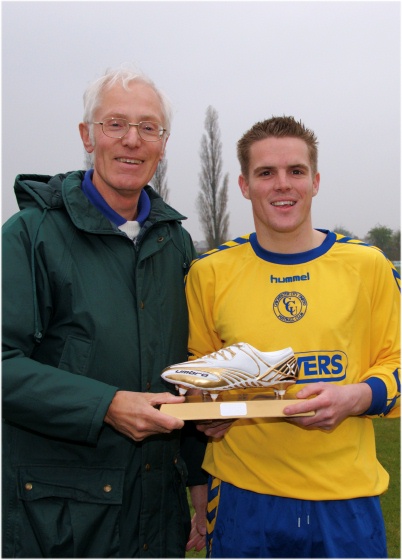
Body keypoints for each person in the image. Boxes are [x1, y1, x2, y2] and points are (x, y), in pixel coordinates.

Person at [2, 65, 208, 558]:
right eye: (115, 124)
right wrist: (107, 405)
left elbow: (183, 371)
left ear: (163, 143)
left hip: (158, 517)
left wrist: (199, 478)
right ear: (88, 136)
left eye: (148, 127)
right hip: (61, 524)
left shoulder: (176, 243)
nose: (132, 140)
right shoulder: (29, 235)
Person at [181, 116, 400, 558]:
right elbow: (196, 375)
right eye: (266, 173)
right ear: (244, 185)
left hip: (347, 499)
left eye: (295, 171)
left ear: (315, 181)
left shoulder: (369, 266)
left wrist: (357, 397)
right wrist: (204, 409)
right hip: (244, 497)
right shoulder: (209, 273)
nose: (283, 185)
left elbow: (397, 361)